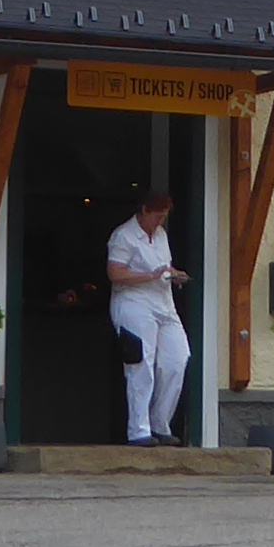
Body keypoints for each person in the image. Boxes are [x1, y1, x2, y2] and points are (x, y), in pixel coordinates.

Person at [104, 187, 191, 447]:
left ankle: (160, 423)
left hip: (164, 305)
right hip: (134, 304)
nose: (160, 221)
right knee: (141, 363)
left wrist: (174, 274)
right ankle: (138, 430)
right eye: (158, 215)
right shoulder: (124, 236)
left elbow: (163, 266)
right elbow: (115, 273)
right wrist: (151, 276)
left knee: (177, 359)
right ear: (144, 210)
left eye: (164, 217)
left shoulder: (161, 235)